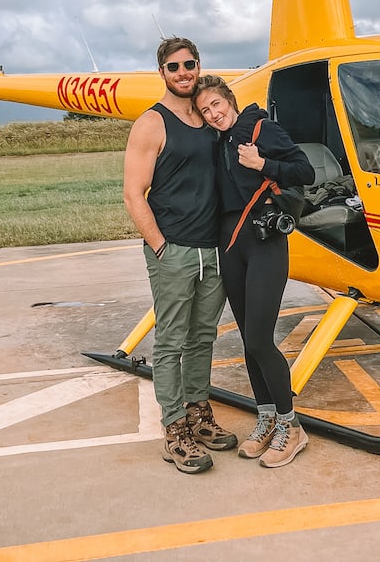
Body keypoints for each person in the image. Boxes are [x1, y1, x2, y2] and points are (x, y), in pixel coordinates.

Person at [123, 37, 238, 474]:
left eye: (190, 64)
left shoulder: (210, 117)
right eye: (174, 67)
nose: (183, 72)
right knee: (171, 341)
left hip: (213, 248)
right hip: (173, 248)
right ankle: (174, 430)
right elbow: (134, 194)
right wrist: (160, 246)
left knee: (203, 336)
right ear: (162, 73)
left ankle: (198, 413)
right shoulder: (151, 123)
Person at [193, 74, 315, 468]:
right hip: (231, 245)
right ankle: (266, 419)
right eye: (205, 110)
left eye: (217, 104)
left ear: (230, 99)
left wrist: (264, 162)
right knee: (248, 340)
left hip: (265, 242)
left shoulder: (261, 128)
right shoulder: (216, 142)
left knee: (262, 338)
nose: (213, 114)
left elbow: (305, 171)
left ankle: (291, 426)